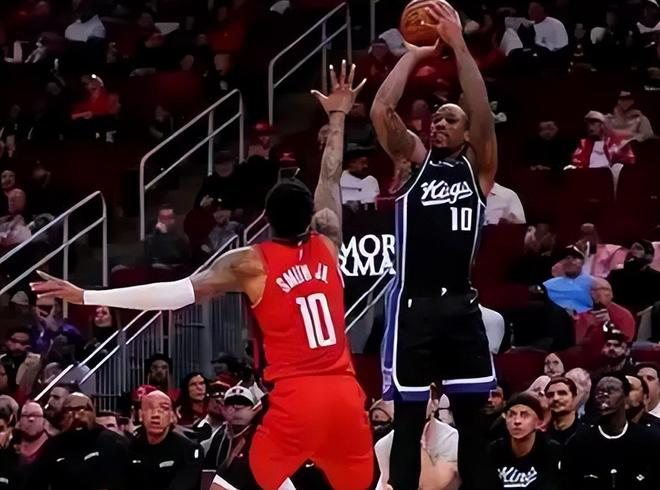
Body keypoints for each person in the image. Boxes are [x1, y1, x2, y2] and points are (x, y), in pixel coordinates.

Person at [32, 62, 374, 490]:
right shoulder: (328, 243)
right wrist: (338, 116)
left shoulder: (251, 262)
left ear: (266, 219)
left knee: (229, 486)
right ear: (311, 218)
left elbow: (174, 294)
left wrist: (86, 295)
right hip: (345, 393)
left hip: (297, 396)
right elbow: (329, 177)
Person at [370, 4, 498, 488]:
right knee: (407, 423)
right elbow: (381, 112)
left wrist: (459, 44)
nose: (438, 123)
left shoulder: (478, 169)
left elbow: (481, 111)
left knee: (472, 424)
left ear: (466, 132)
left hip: (461, 305)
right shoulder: (413, 163)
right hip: (414, 305)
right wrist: (414, 55)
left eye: (450, 119)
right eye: (436, 118)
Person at [563, 374, 660, 489]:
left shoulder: (649, 441)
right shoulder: (578, 442)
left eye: (611, 390)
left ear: (625, 396)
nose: (604, 395)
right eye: (599, 391)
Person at [26, 393, 131, 490]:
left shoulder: (113, 442)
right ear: (63, 417)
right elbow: (36, 482)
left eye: (82, 410)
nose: (77, 416)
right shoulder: (54, 446)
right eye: (70, 411)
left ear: (92, 413)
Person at [129, 390, 203, 490]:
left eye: (163, 408)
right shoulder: (131, 447)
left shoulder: (188, 450)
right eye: (150, 408)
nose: (155, 414)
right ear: (140, 414)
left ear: (172, 416)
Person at [489, 392, 561, 489]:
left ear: (539, 422)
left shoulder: (553, 452)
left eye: (525, 415)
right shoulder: (492, 451)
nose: (517, 421)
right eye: (512, 415)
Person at [571, 111, 635, 169]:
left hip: (610, 175)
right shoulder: (584, 144)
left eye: (593, 123)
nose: (589, 127)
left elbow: (629, 159)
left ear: (603, 125)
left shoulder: (616, 142)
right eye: (588, 124)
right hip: (589, 175)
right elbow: (577, 162)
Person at [543, 246, 593, 314]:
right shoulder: (557, 268)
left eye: (574, 258)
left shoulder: (580, 270)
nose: (571, 260)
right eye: (567, 258)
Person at [144, 204, 191, 268]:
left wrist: (165, 234)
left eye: (169, 218)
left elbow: (176, 257)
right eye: (163, 218)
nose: (165, 221)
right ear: (159, 219)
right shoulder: (150, 239)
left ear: (173, 220)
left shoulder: (181, 240)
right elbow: (147, 259)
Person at [0, 326, 41, 395]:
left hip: (25, 397)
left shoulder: (36, 361)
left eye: (23, 343)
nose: (18, 346)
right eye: (14, 341)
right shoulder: (1, 359)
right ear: (6, 341)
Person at [545, 377, 580, 445]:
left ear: (574, 396)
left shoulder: (587, 431)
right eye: (550, 395)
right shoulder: (541, 433)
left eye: (562, 393)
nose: (555, 398)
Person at [16, 401, 49, 468]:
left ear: (44, 421)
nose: (31, 419)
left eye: (36, 415)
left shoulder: (52, 445)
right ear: (19, 421)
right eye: (26, 415)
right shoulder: (10, 441)